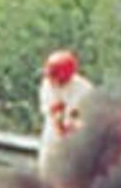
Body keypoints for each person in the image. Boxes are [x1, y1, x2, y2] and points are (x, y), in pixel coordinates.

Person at [37, 48, 94, 178]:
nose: (51, 78)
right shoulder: (47, 84)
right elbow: (54, 113)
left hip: (75, 142)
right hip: (52, 137)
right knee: (45, 173)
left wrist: (73, 124)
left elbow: (86, 120)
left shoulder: (84, 89)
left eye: (54, 74)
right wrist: (61, 122)